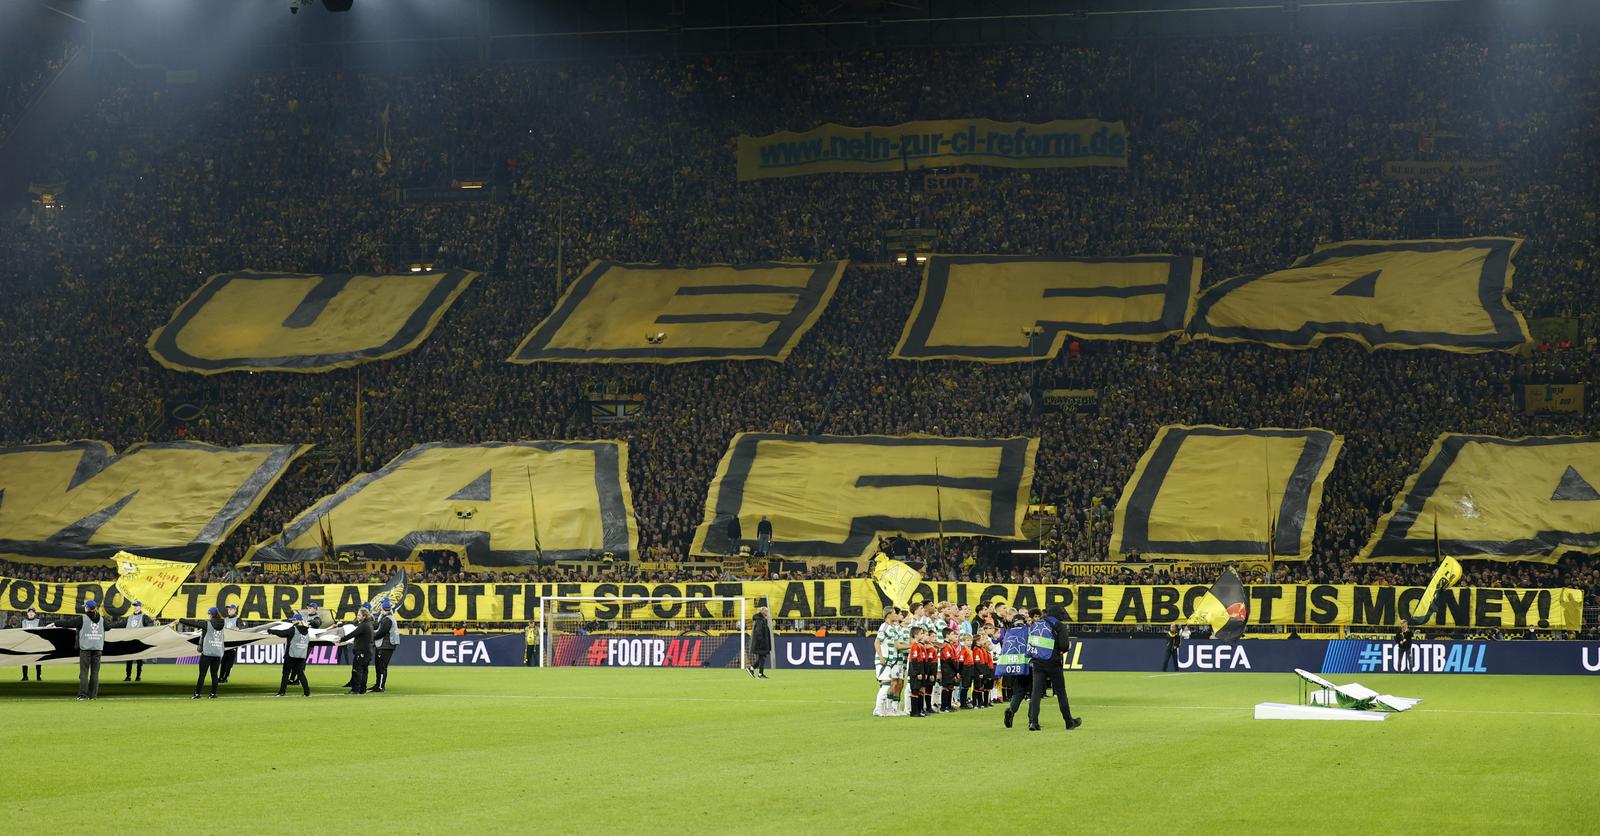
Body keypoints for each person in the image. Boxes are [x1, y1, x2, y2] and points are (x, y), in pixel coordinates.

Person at [1026, 606, 1082, 732]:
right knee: (1061, 692)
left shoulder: (1037, 623)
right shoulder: (1059, 625)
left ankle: (1033, 722)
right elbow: (1063, 645)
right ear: (1059, 614)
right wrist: (1067, 647)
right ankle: (1069, 722)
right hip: (1053, 662)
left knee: (1036, 693)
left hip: (1037, 661)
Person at [52, 600, 107, 700]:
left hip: (85, 649)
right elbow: (109, 627)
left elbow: (68, 623)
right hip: (98, 649)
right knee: (95, 673)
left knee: (84, 673)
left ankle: (83, 695)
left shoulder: (83, 619)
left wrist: (55, 623)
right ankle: (93, 696)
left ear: (87, 608)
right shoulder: (102, 619)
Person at [179, 608, 228, 699]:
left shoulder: (207, 624)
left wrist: (180, 620)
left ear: (211, 614)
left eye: (208, 614)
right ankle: (213, 694)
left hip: (207, 653)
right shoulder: (223, 623)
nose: (207, 615)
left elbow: (193, 623)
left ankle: (197, 694)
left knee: (202, 674)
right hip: (217, 653)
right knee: (214, 675)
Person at [871, 606, 909, 717]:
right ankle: (878, 709)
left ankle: (885, 709)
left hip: (891, 661)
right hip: (884, 660)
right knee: (886, 684)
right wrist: (881, 657)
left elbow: (897, 645)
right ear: (888, 615)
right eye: (894, 613)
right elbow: (877, 642)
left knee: (889, 684)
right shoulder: (884, 627)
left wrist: (913, 645)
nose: (896, 615)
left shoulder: (892, 628)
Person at [269, 614, 313, 697]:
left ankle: (282, 692)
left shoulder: (294, 629)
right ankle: (307, 692)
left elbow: (282, 633)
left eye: (294, 620)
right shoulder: (307, 631)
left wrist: (271, 631)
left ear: (298, 620)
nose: (292, 621)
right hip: (301, 656)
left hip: (291, 655)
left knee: (286, 673)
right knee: (301, 674)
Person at [115, 601, 155, 682]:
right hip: (129, 642)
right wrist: (107, 625)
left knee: (139, 661)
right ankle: (128, 676)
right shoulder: (129, 617)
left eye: (137, 606)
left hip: (139, 642)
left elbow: (151, 626)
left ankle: (138, 676)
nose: (135, 607)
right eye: (134, 606)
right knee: (129, 660)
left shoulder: (144, 617)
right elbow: (119, 624)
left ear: (140, 607)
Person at [345, 605, 375, 694]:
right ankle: (362, 689)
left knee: (357, 670)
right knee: (364, 671)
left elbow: (353, 634)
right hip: (368, 652)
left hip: (361, 652)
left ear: (364, 616)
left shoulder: (363, 625)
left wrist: (341, 639)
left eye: (359, 615)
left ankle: (355, 690)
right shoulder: (369, 624)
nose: (357, 616)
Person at [372, 599, 400, 693]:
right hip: (385, 645)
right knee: (379, 666)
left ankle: (380, 686)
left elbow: (381, 633)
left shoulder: (387, 619)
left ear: (383, 608)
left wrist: (369, 636)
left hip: (385, 646)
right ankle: (378, 685)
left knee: (381, 667)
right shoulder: (388, 617)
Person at [747, 605, 772, 679]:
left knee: (762, 657)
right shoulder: (759, 620)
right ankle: (758, 673)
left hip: (762, 643)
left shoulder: (762, 620)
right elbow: (758, 632)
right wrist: (762, 642)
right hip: (760, 643)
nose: (767, 613)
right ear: (762, 611)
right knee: (762, 657)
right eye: (766, 611)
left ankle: (753, 670)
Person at [20, 606, 44, 682]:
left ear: (35, 613)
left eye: (32, 612)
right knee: (24, 660)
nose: (31, 613)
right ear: (27, 613)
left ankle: (38, 676)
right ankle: (25, 676)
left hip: (36, 644)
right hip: (26, 644)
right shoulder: (23, 622)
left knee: (38, 660)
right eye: (29, 612)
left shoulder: (39, 621)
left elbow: (42, 632)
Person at [218, 603, 241, 683]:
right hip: (225, 643)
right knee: (223, 661)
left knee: (229, 663)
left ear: (235, 610)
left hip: (233, 643)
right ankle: (221, 677)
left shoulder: (238, 619)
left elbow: (241, 630)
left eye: (230, 609)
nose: (228, 611)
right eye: (228, 609)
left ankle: (226, 677)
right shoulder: (225, 619)